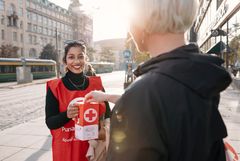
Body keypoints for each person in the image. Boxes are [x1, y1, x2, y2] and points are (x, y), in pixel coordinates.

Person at [85, 0, 232, 161]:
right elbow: (170, 107)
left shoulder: (143, 95)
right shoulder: (201, 75)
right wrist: (110, 97)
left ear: (141, 20)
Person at [45, 40, 111, 161]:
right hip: (66, 150)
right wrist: (67, 115)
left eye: (80, 57)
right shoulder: (55, 87)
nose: (76, 61)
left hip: (93, 150)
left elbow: (107, 115)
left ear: (85, 59)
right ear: (65, 60)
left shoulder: (96, 84)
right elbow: (50, 122)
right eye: (71, 57)